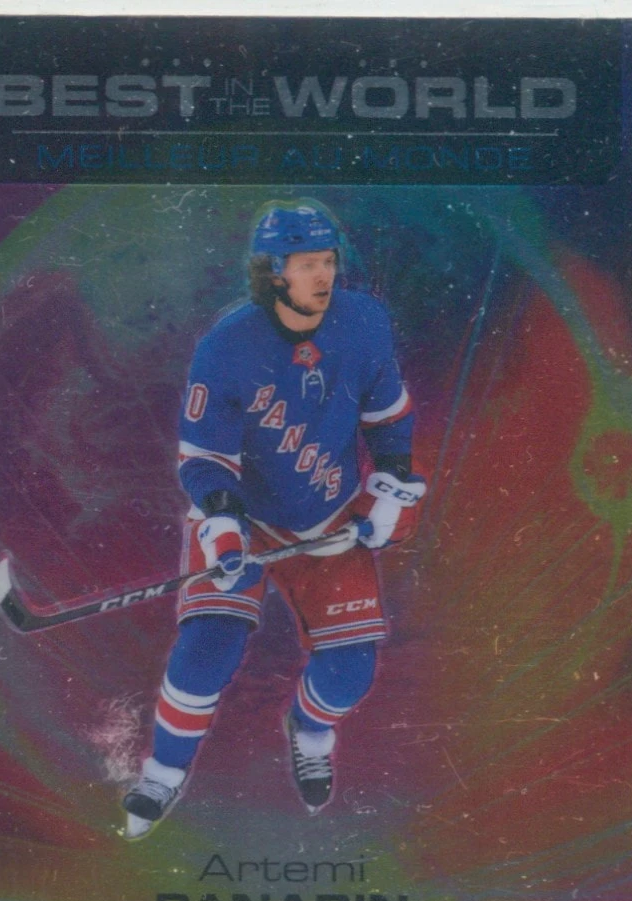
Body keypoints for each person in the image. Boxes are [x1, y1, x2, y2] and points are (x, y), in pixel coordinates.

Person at [123, 203, 426, 838]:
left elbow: (389, 420)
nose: (323, 275)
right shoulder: (227, 344)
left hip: (329, 514)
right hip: (244, 513)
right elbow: (205, 458)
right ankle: (163, 770)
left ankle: (309, 733)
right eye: (307, 263)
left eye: (328, 261)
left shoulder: (363, 322)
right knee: (207, 647)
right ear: (273, 272)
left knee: (350, 673)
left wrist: (391, 487)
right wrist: (223, 525)